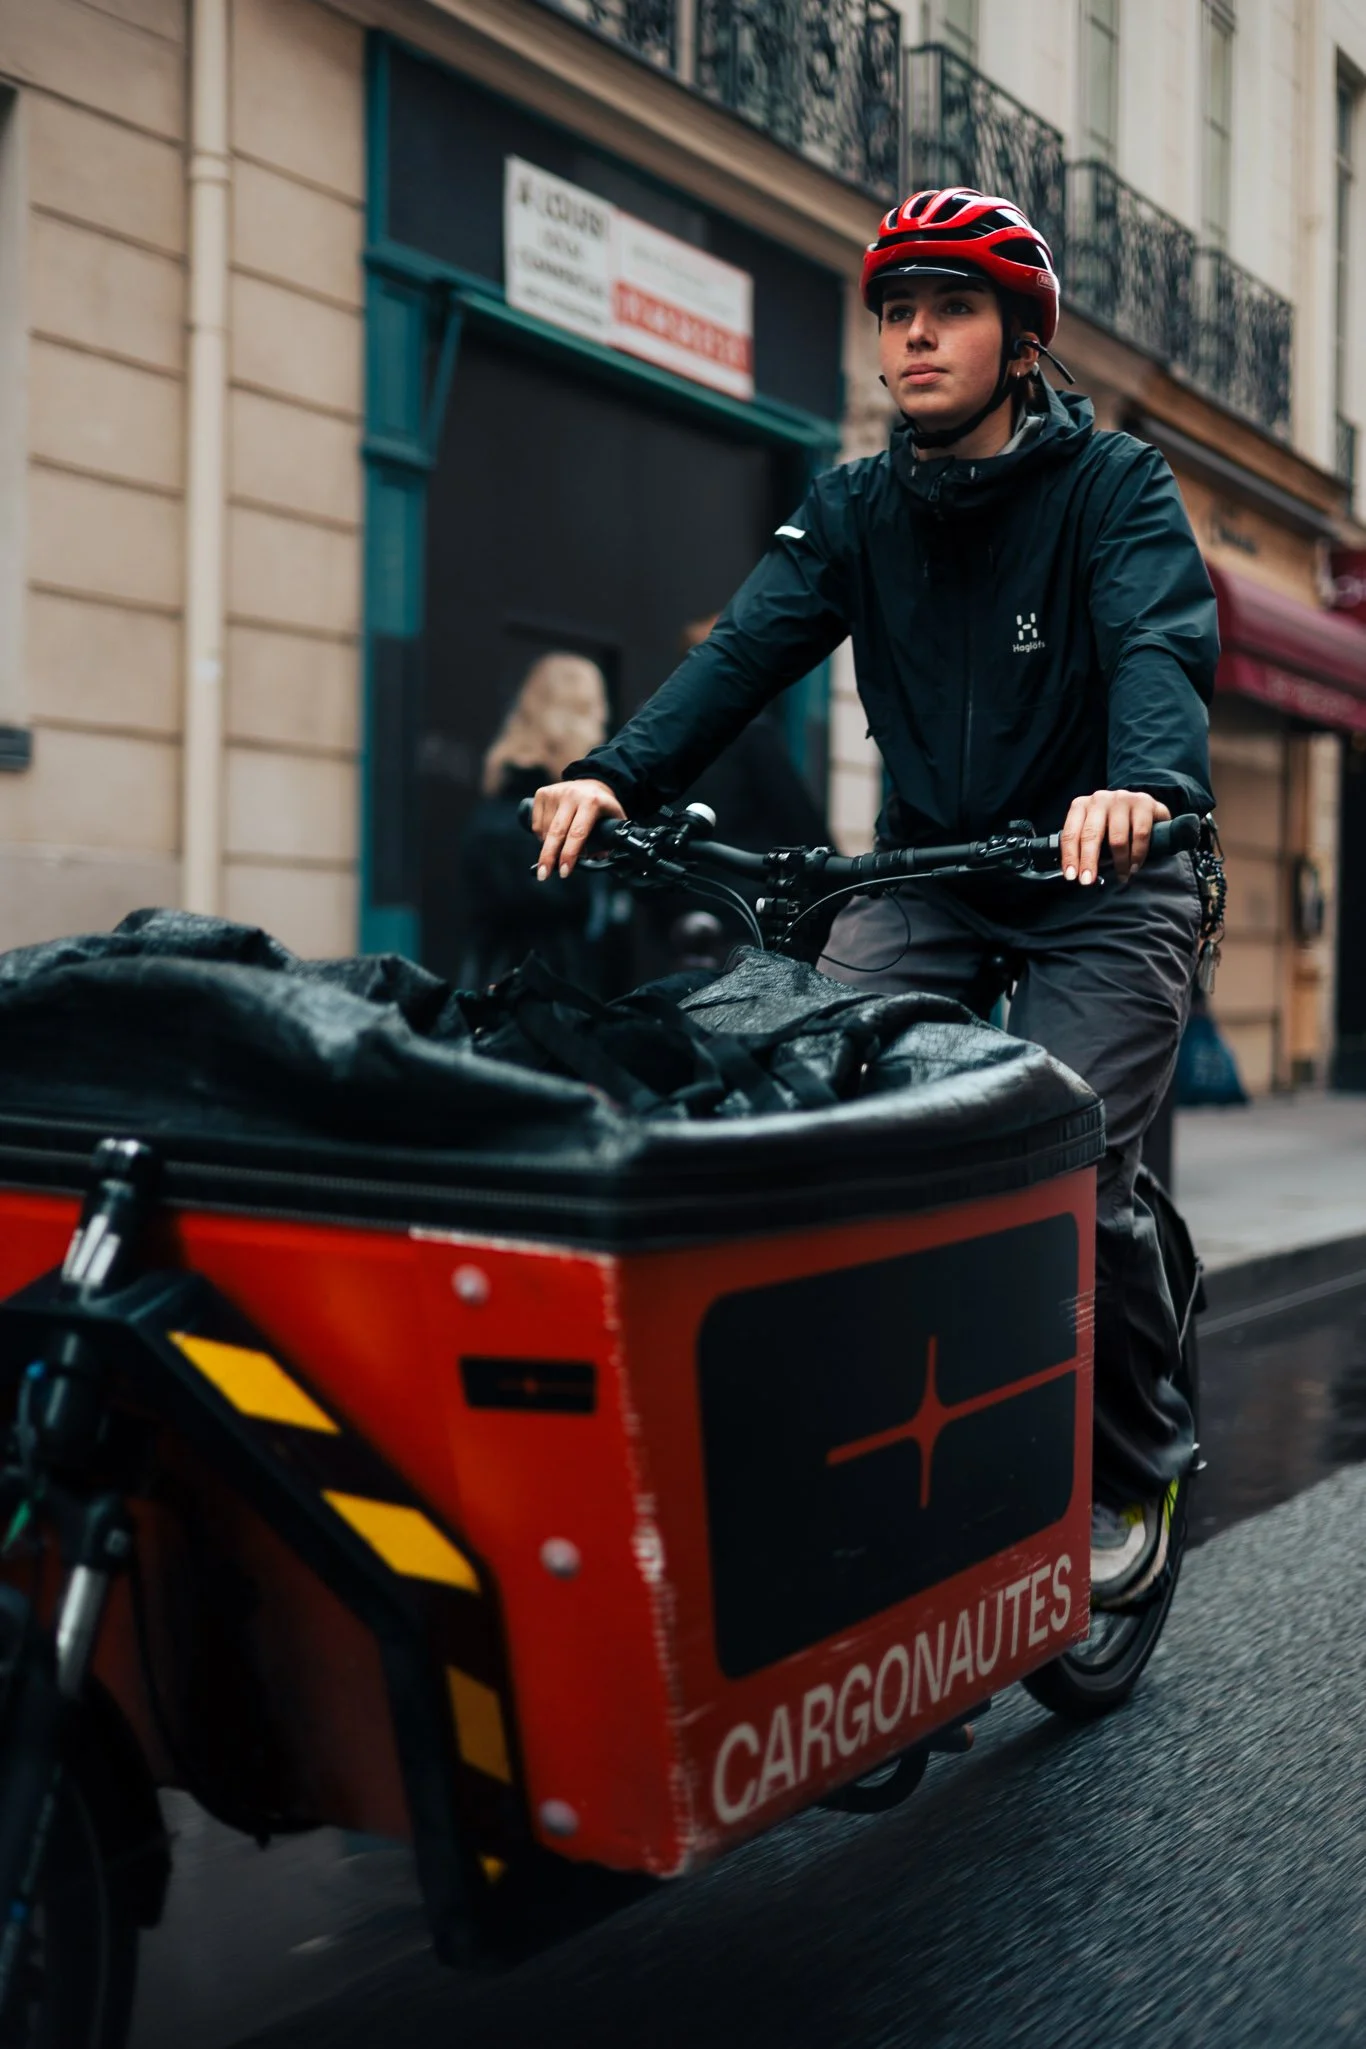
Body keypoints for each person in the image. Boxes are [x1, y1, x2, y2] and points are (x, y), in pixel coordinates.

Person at [530, 188, 1217, 1609]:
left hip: (1102, 877)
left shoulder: (1111, 490)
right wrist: (611, 774)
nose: (914, 334)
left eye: (951, 307)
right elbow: (737, 662)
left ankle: (1136, 1453)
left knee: (1066, 1162)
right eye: (896, 311)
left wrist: (1140, 784)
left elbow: (1154, 640)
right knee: (807, 1119)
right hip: (929, 877)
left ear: (1019, 341)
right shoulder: (850, 507)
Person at [461, 652, 629, 994]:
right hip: (533, 1008)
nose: (603, 725)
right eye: (594, 711)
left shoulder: (507, 809)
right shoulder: (517, 817)